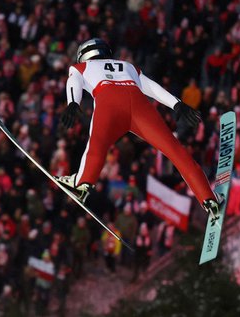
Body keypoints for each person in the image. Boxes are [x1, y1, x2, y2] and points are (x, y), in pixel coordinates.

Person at [56, 38, 221, 218]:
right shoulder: (127, 66)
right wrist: (177, 104)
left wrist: (73, 103)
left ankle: (82, 183)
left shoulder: (80, 67)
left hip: (109, 101)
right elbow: (150, 86)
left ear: (85, 55)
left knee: (97, 146)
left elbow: (74, 82)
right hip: (138, 104)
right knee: (175, 150)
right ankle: (208, 198)